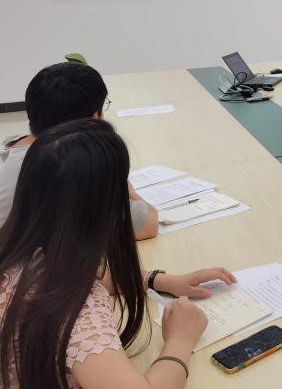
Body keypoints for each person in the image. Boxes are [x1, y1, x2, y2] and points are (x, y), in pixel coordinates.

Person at [0, 118, 236, 389]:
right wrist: (180, 340)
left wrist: (157, 280)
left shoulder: (21, 252)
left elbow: (93, 277)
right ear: (108, 208)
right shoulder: (76, 315)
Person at [0, 62, 157, 239]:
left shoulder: (10, 147)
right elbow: (148, 224)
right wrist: (129, 192)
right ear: (94, 118)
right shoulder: (69, 170)